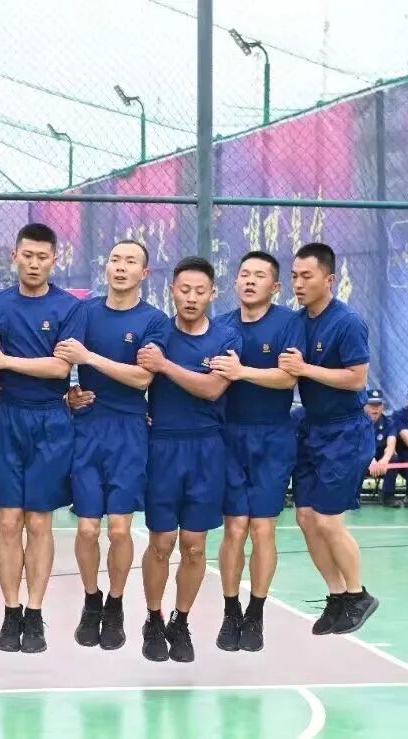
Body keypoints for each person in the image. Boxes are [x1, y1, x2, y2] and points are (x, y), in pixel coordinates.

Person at [0, 223, 86, 654]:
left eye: (42, 257)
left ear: (54, 260)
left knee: (38, 522)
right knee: (7, 521)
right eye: (27, 255)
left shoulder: (68, 307)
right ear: (14, 256)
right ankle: (10, 610)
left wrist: (5, 361)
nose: (34, 264)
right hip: (5, 417)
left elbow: (59, 368)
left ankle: (35, 613)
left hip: (51, 419)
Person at [52, 240, 169, 650]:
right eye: (115, 259)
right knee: (87, 529)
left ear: (144, 273)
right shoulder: (84, 312)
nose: (121, 267)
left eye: (130, 261)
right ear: (106, 267)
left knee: (119, 530)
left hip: (129, 429)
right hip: (88, 426)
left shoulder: (154, 321)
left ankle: (115, 604)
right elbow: (61, 360)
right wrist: (68, 394)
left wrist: (90, 358)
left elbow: (142, 378)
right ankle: (92, 600)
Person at [136, 256, 241, 663]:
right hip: (162, 446)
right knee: (161, 542)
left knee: (195, 547)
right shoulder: (158, 332)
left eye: (200, 291)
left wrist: (165, 367)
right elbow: (135, 375)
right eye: (184, 290)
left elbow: (213, 389)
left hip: (207, 449)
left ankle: (180, 621)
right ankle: (153, 618)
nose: (191, 297)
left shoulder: (226, 339)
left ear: (213, 293)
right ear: (172, 291)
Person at [280, 241, 378, 636]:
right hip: (312, 427)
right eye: (294, 276)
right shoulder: (296, 321)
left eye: (307, 276)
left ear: (329, 279)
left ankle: (358, 594)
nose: (299, 284)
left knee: (327, 519)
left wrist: (305, 369)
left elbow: (357, 378)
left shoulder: (347, 322)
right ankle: (337, 595)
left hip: (344, 430)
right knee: (305, 517)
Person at [209, 251, 304, 653]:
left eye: (259, 276)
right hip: (229, 437)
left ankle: (256, 613)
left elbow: (288, 377)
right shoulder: (221, 326)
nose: (249, 281)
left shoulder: (288, 323)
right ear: (235, 282)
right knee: (234, 527)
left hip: (272, 436)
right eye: (244, 274)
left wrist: (242, 372)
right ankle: (231, 611)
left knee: (263, 528)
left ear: (275, 286)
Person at [362, 390, 400, 507]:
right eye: (371, 405)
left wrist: (385, 459)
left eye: (378, 405)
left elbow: (391, 444)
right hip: (363, 459)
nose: (375, 408)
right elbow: (358, 446)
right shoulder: (357, 423)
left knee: (394, 458)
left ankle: (388, 496)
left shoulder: (389, 423)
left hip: (380, 461)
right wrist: (370, 460)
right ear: (365, 406)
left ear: (383, 406)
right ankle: (353, 496)